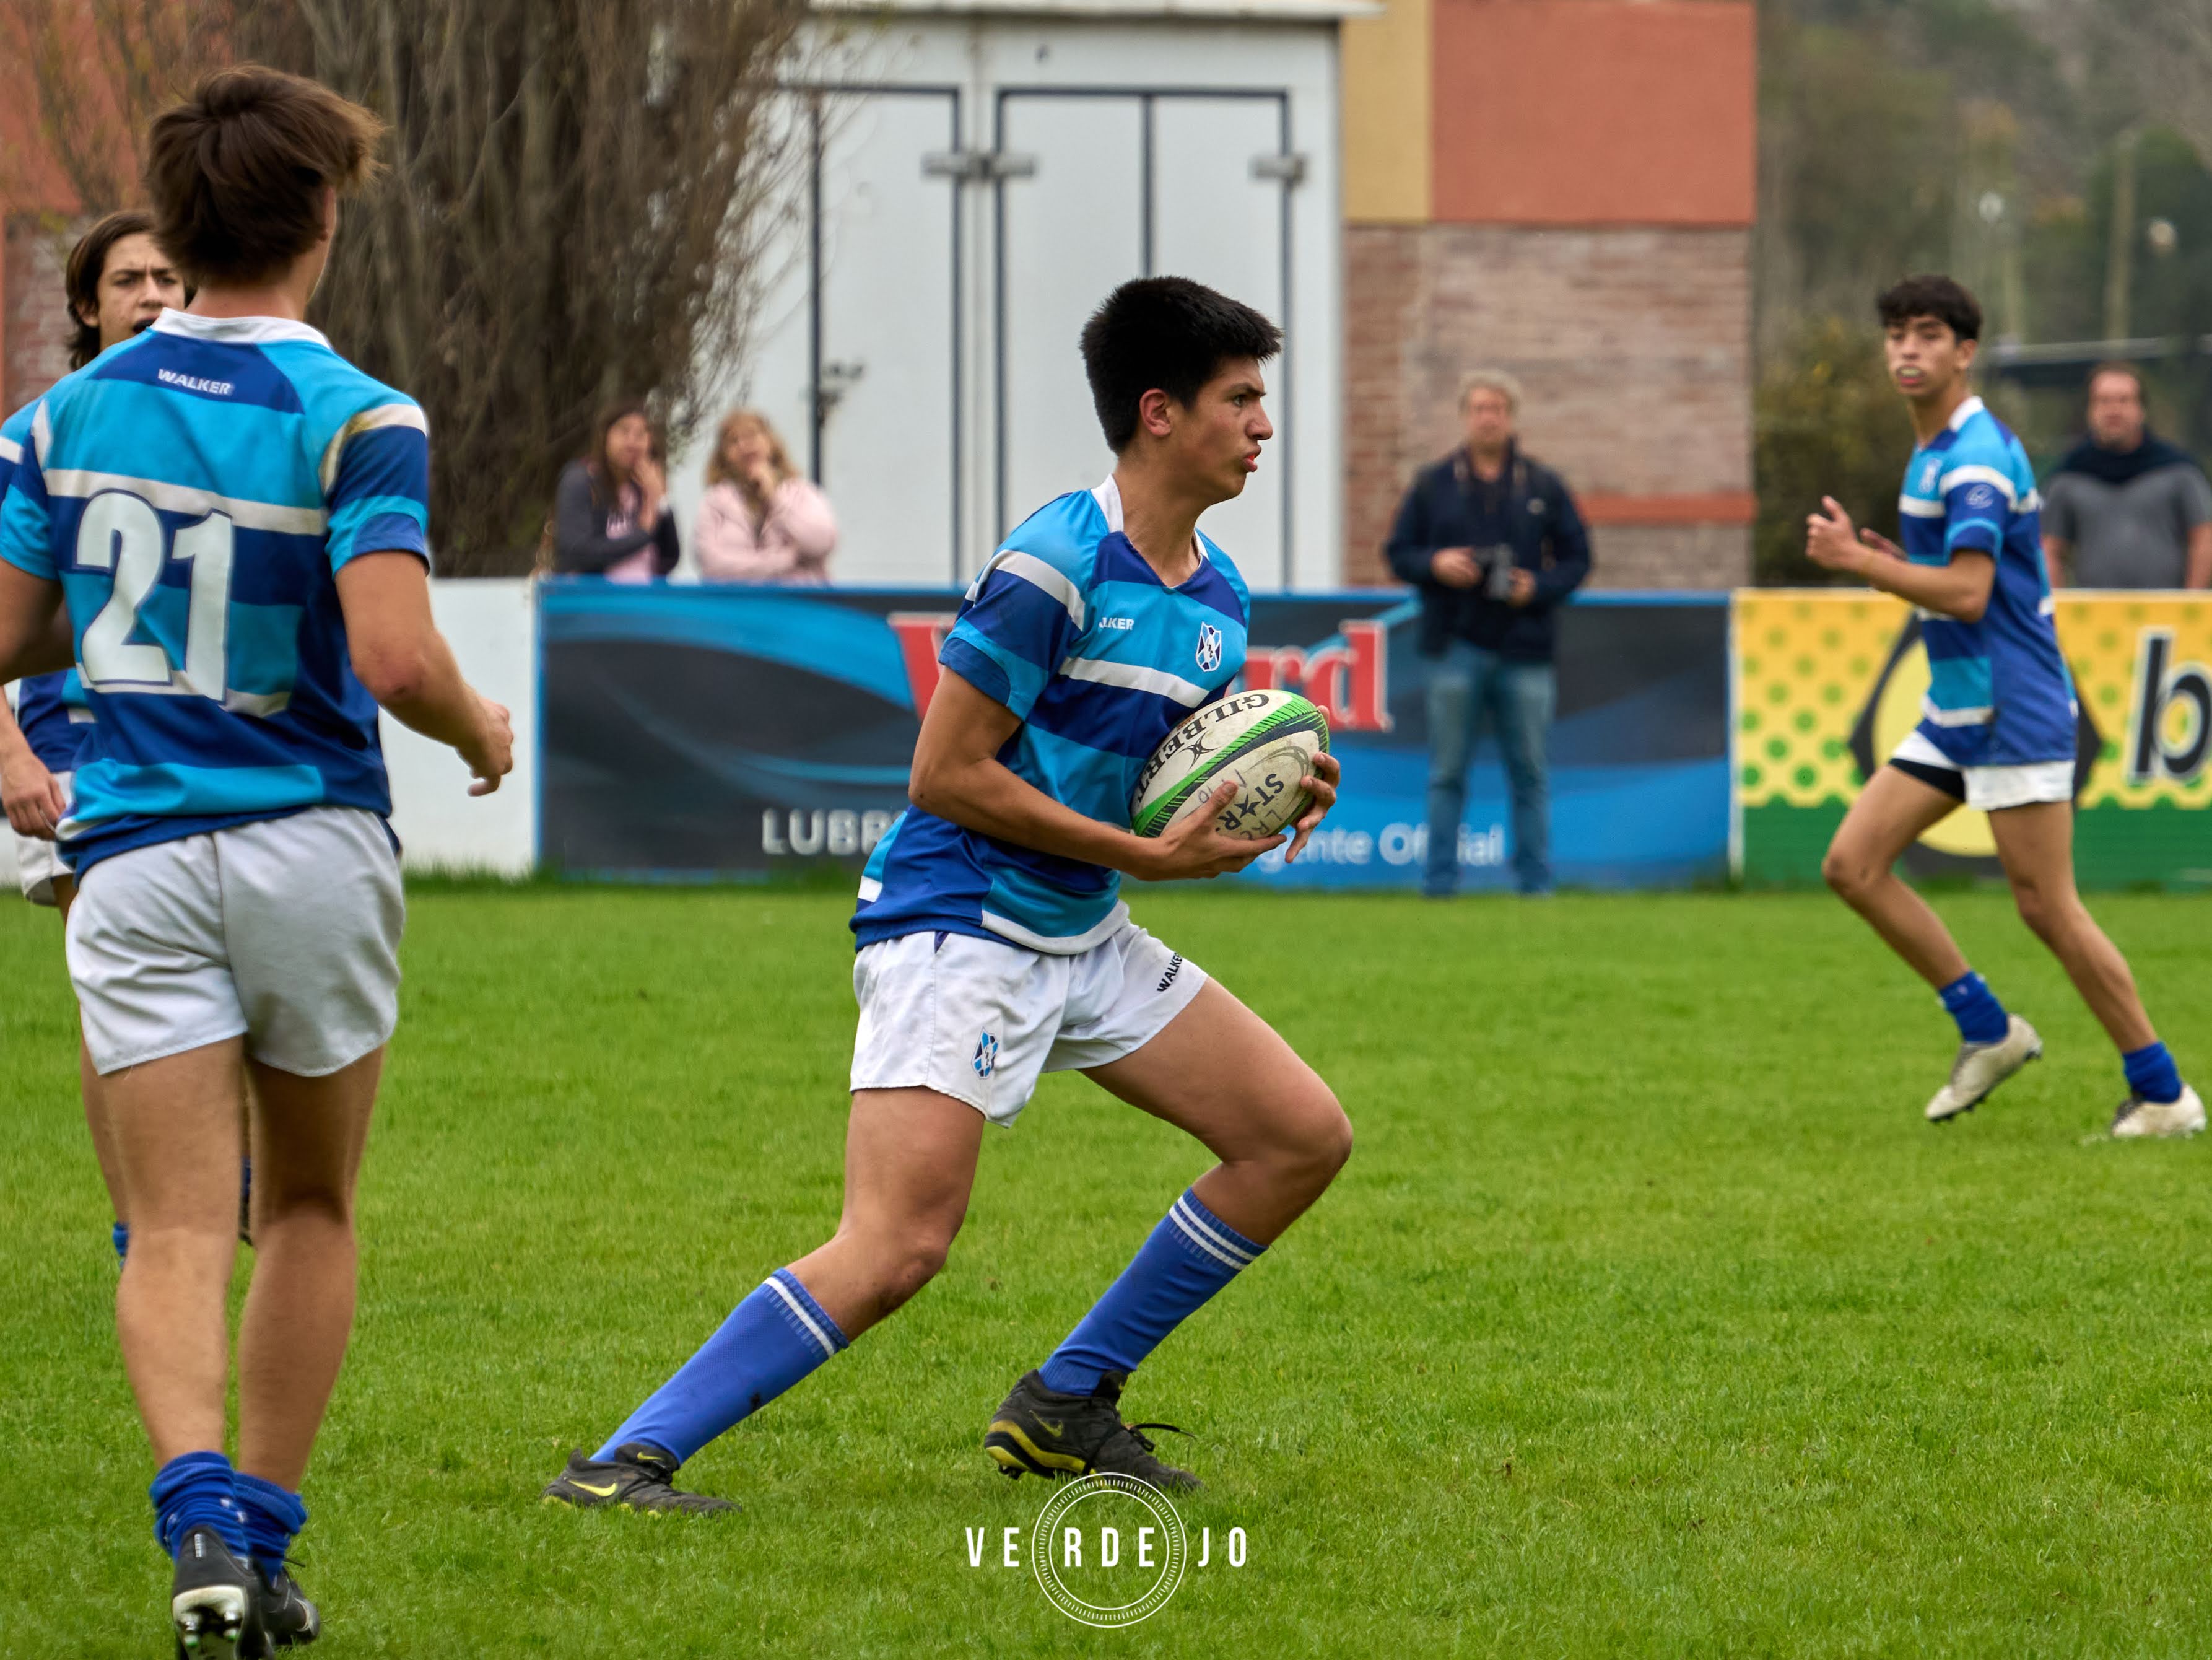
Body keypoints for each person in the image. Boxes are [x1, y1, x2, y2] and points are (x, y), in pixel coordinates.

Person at [542, 276, 1349, 1513]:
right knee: (897, 1246)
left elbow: (1156, 784)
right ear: (1157, 413)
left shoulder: (1217, 600)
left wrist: (1275, 792)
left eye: (1260, 400)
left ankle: (1065, 1400)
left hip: (1081, 928)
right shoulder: (1053, 561)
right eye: (1240, 399)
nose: (1262, 426)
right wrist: (1142, 856)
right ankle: (622, 1461)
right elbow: (945, 771)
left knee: (1298, 1135)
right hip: (958, 921)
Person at [0, 66, 513, 1654]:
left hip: (136, 853)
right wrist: (484, 727)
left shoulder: (61, 414)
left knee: (166, 1222)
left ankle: (197, 1516)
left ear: (190, 215)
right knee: (304, 1204)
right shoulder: (359, 411)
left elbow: (15, 638)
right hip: (306, 845)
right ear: (322, 217)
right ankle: (269, 1541)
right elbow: (395, 651)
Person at [1807, 274, 2199, 1138]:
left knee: (2047, 907)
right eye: (1896, 336)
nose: (1907, 350)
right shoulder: (1935, 446)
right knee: (1852, 865)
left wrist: (1863, 564)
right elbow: (1954, 581)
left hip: (2014, 707)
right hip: (1960, 706)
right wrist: (1890, 563)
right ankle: (1989, 1030)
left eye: (1927, 336)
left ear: (1965, 351)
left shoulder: (1975, 456)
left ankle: (2165, 1093)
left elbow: (1973, 593)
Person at [0, 209, 184, 1264]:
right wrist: (14, 757)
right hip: (75, 751)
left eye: (169, 275)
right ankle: (139, 1229)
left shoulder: (222, 423)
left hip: (203, 752)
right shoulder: (37, 434)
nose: (153, 295)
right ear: (87, 304)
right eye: (128, 280)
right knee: (113, 990)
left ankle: (205, 1186)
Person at [1384, 369, 1590, 896]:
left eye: (1497, 408)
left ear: (1511, 417)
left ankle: (1534, 885)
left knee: (1531, 774)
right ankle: (1440, 884)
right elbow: (1398, 552)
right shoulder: (1433, 484)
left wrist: (1535, 586)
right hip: (1454, 645)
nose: (1488, 417)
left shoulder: (1543, 485)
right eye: (1478, 408)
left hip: (1525, 648)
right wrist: (1437, 563)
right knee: (1446, 772)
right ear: (1464, 416)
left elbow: (1578, 559)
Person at [2040, 363, 2212, 590]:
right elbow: (2049, 548)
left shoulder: (2180, 471)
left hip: (2168, 617)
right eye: (2104, 401)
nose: (2114, 410)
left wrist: (2192, 603)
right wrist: (2055, 610)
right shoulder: (2067, 476)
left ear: (2142, 409)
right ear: (2090, 410)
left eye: (2124, 400)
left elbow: (2203, 537)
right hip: (2089, 618)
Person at [693, 408, 837, 583]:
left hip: (798, 604)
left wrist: (775, 498)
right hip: (736, 606)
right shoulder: (714, 502)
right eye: (733, 441)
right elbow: (711, 564)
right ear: (724, 457)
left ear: (770, 443)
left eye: (752, 436)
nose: (744, 446)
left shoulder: (802, 493)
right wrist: (786, 560)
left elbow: (821, 543)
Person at [550, 399, 680, 580]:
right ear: (605, 437)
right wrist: (643, 533)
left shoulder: (645, 488)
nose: (632, 442)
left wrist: (661, 501)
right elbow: (579, 553)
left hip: (644, 601)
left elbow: (669, 560)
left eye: (641, 434)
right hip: (596, 602)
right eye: (624, 431)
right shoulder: (581, 481)